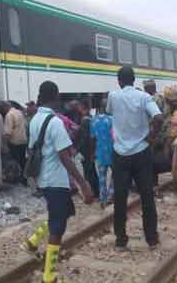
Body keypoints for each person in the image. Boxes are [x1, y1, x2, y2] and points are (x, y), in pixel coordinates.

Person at [22, 81, 94, 283]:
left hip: (44, 179)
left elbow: (31, 149)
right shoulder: (54, 122)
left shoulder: (35, 119)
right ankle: (49, 275)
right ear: (55, 96)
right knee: (58, 227)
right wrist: (83, 183)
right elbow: (65, 156)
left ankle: (33, 240)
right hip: (56, 181)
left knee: (65, 212)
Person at [106, 66, 163, 251]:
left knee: (120, 198)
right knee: (147, 196)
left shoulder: (113, 97)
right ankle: (152, 239)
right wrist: (151, 137)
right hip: (141, 152)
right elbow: (158, 117)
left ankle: (121, 240)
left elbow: (109, 112)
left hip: (120, 154)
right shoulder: (144, 97)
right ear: (134, 80)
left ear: (119, 81)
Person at [90, 99, 114, 208]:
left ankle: (102, 198)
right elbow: (115, 137)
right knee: (114, 175)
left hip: (99, 152)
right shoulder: (111, 120)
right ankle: (111, 195)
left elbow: (92, 138)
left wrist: (92, 153)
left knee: (102, 177)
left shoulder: (93, 120)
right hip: (112, 152)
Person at [0, 100, 29, 184]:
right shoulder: (19, 112)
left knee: (14, 162)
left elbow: (8, 132)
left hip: (14, 142)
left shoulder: (9, 115)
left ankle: (15, 179)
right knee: (22, 161)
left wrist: (4, 145)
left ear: (5, 107)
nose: (2, 111)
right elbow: (26, 125)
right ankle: (24, 179)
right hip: (23, 141)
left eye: (2, 108)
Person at [76, 100, 100, 198]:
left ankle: (93, 191)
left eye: (79, 106)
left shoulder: (84, 120)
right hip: (91, 148)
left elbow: (84, 137)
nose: (78, 108)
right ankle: (96, 190)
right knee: (92, 170)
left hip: (86, 149)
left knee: (88, 171)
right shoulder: (91, 118)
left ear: (83, 107)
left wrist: (78, 149)